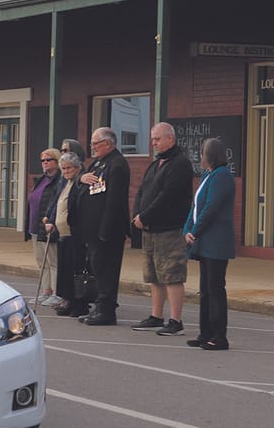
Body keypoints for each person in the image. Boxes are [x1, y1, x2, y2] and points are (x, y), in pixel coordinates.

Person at [131, 122, 194, 336]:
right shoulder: (155, 164)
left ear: (170, 139)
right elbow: (142, 191)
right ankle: (156, 316)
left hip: (170, 230)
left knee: (172, 275)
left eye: (157, 139)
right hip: (150, 229)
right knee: (154, 276)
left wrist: (145, 215)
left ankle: (176, 321)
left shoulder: (180, 164)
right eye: (152, 139)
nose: (154, 143)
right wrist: (137, 214)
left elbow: (167, 196)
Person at [182, 138, 235, 350]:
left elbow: (211, 207)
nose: (200, 156)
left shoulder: (223, 175)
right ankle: (205, 333)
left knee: (215, 290)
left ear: (210, 155)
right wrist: (187, 229)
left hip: (216, 241)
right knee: (204, 291)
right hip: (203, 241)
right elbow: (195, 206)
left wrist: (195, 231)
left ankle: (219, 337)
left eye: (202, 152)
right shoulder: (207, 175)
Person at [77, 127, 130, 326]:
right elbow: (85, 180)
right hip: (92, 230)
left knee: (107, 271)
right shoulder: (98, 162)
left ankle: (107, 311)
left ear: (107, 143)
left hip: (107, 231)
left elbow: (114, 201)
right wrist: (81, 178)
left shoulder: (117, 164)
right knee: (98, 270)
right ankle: (100, 307)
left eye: (95, 143)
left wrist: (105, 230)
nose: (92, 147)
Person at [43, 151, 89, 316]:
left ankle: (79, 303)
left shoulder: (80, 182)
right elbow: (57, 204)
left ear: (77, 168)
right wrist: (51, 220)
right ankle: (68, 300)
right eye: (63, 168)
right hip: (62, 234)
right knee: (65, 273)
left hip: (75, 234)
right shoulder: (65, 183)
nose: (66, 171)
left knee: (75, 271)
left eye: (69, 168)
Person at [26, 148, 62, 307]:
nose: (45, 163)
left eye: (49, 160)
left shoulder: (59, 180)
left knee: (53, 262)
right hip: (35, 226)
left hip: (48, 226)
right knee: (42, 262)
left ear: (57, 161)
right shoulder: (42, 179)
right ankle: (45, 291)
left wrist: (51, 221)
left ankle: (56, 292)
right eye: (43, 160)